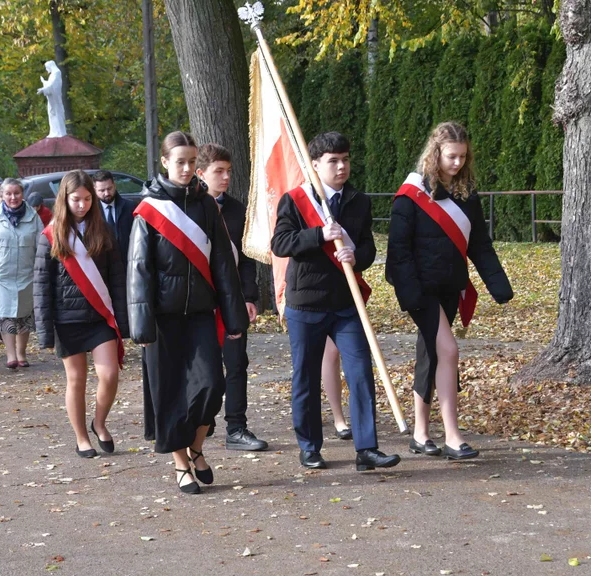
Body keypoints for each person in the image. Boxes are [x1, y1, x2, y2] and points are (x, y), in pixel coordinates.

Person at [270, 131, 399, 472]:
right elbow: (281, 244)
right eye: (333, 161)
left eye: (345, 159)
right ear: (315, 165)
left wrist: (356, 254)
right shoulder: (295, 200)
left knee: (360, 374)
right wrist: (319, 235)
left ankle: (366, 449)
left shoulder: (359, 201)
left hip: (346, 303)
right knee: (306, 378)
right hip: (306, 304)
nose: (341, 167)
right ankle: (310, 447)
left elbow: (369, 247)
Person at [129, 131, 248, 494]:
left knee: (212, 385)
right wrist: (141, 326)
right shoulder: (148, 209)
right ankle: (181, 464)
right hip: (163, 319)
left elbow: (224, 266)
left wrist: (234, 317)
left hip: (199, 314)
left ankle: (197, 447)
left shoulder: (205, 205)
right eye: (179, 161)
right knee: (170, 395)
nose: (186, 168)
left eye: (191, 162)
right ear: (164, 162)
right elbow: (139, 270)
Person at [387, 121, 513, 460]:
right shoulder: (411, 195)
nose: (457, 163)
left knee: (431, 355)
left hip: (449, 287)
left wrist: (498, 285)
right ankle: (454, 436)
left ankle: (420, 434)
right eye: (451, 156)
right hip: (420, 291)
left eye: (462, 157)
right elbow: (398, 251)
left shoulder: (467, 194)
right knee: (449, 350)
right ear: (436, 153)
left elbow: (480, 244)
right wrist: (409, 294)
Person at [35, 170, 128, 458]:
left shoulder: (104, 230)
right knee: (76, 380)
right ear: (65, 198)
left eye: (88, 199)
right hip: (67, 319)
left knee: (109, 374)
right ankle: (81, 438)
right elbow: (42, 285)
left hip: (100, 317)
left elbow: (117, 279)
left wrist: (124, 321)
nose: (82, 205)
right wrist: (44, 332)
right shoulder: (51, 235)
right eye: (76, 199)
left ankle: (99, 422)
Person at [195, 144, 267, 452]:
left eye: (228, 171)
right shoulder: (190, 209)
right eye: (218, 172)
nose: (226, 178)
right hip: (199, 302)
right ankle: (202, 419)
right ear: (201, 174)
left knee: (236, 364)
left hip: (233, 300)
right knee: (204, 367)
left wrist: (250, 296)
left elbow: (247, 258)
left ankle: (237, 427)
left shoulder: (238, 210)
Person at [0, 178, 43, 369]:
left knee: (24, 314)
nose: (13, 197)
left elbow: (42, 246)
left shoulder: (33, 216)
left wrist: (43, 271)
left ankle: (21, 354)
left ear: (23, 194)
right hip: (0, 275)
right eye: (8, 194)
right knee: (5, 314)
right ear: (1, 196)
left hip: (27, 274)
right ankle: (10, 355)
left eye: (17, 193)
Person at [92, 170, 135, 261]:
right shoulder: (91, 212)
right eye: (102, 190)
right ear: (94, 189)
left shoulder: (130, 207)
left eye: (109, 188)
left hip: (127, 261)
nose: (107, 193)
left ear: (114, 186)